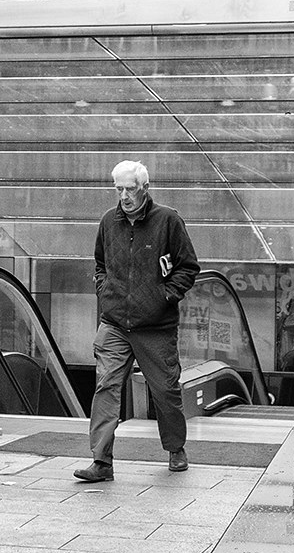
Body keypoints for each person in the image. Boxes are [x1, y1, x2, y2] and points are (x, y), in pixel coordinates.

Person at [74, 160, 200, 483]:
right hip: (115, 323)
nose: (125, 196)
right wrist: (104, 291)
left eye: (131, 189)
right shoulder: (108, 222)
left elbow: (188, 267)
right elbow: (100, 264)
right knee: (105, 387)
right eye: (119, 190)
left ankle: (176, 449)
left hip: (155, 325)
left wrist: (165, 297)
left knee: (165, 389)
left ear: (145, 187)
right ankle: (101, 461)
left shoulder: (168, 221)